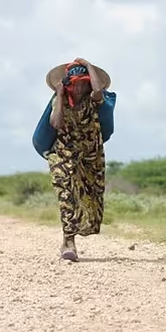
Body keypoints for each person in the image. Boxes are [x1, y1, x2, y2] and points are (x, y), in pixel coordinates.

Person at [47, 58, 111, 261]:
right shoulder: (59, 100)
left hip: (90, 155)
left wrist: (89, 65)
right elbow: (56, 123)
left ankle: (71, 237)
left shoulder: (93, 99)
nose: (81, 86)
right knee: (67, 192)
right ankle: (69, 241)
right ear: (68, 83)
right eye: (76, 82)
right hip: (64, 154)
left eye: (84, 82)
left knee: (90, 195)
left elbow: (99, 92)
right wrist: (59, 94)